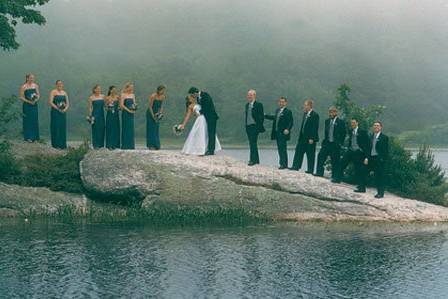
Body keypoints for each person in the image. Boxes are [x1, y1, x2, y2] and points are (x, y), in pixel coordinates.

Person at [315, 106, 346, 182]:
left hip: (335, 144)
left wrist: (340, 143)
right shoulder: (327, 121)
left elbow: (343, 133)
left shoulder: (340, 122)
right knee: (320, 156)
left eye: (332, 112)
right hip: (327, 143)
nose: (331, 113)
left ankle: (335, 177)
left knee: (335, 160)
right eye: (330, 112)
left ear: (336, 113)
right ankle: (319, 172)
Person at [340, 118, 370, 193]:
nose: (352, 124)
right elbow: (351, 140)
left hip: (359, 152)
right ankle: (337, 178)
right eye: (351, 123)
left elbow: (367, 144)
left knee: (359, 169)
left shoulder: (363, 132)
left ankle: (362, 187)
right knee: (342, 162)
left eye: (354, 123)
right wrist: (348, 148)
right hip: (351, 150)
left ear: (357, 123)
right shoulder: (350, 131)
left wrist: (366, 156)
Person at [187, 87, 219, 155]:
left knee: (211, 133)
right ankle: (208, 148)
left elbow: (207, 107)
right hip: (205, 117)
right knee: (208, 132)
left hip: (211, 117)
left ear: (195, 93)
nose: (193, 96)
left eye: (192, 95)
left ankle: (211, 150)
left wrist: (199, 112)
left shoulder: (205, 95)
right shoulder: (198, 98)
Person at [290, 98, 319, 173]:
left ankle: (310, 170)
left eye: (305, 105)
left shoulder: (315, 115)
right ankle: (295, 166)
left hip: (310, 139)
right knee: (298, 152)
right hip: (302, 138)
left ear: (310, 106)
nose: (304, 106)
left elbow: (315, 127)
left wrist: (312, 138)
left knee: (310, 155)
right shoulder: (305, 114)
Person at [264, 96, 293, 169]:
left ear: (286, 103)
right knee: (280, 148)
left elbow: (291, 122)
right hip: (277, 133)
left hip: (283, 133)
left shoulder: (288, 111)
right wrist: (265, 115)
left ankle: (284, 164)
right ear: (278, 102)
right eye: (280, 102)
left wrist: (287, 129)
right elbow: (274, 118)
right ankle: (281, 163)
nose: (281, 103)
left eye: (283, 102)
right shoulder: (277, 110)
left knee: (283, 148)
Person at [366, 121, 389, 198]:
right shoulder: (371, 136)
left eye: (377, 125)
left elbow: (386, 151)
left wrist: (382, 160)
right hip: (371, 158)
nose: (376, 127)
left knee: (380, 176)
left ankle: (380, 193)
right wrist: (367, 157)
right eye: (374, 125)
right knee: (365, 171)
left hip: (379, 159)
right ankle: (361, 188)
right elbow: (368, 148)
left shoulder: (384, 137)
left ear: (380, 127)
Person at [245, 89, 265, 166]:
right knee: (252, 143)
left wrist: (259, 126)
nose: (249, 96)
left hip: (255, 126)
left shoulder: (259, 105)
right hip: (248, 126)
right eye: (248, 95)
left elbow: (261, 117)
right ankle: (256, 160)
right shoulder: (247, 105)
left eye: (251, 95)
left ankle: (252, 160)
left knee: (253, 142)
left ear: (254, 96)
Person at [19, 73, 40, 142]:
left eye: (33, 78)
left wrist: (35, 99)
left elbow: (38, 95)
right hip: (27, 106)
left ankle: (35, 137)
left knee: (34, 119)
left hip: (34, 105)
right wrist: (29, 101)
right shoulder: (23, 87)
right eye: (31, 78)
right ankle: (28, 137)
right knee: (27, 120)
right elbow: (21, 97)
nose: (32, 79)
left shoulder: (36, 86)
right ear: (27, 78)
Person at [48, 80, 69, 149]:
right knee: (56, 126)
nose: (60, 85)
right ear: (56, 85)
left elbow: (67, 103)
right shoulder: (53, 92)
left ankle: (62, 144)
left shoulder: (64, 92)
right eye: (58, 84)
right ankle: (55, 144)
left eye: (61, 84)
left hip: (63, 112)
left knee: (62, 127)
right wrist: (58, 108)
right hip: (55, 111)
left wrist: (65, 109)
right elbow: (50, 102)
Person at [146, 85, 166, 150]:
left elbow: (161, 106)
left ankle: (156, 145)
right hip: (150, 113)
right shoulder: (153, 96)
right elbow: (150, 107)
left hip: (157, 113)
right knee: (151, 129)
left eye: (164, 90)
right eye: (162, 90)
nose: (163, 91)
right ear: (159, 90)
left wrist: (160, 114)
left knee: (156, 129)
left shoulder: (163, 97)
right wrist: (153, 116)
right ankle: (150, 145)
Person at [87, 84, 105, 149]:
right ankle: (96, 145)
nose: (99, 90)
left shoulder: (103, 96)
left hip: (101, 114)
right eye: (98, 89)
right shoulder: (91, 97)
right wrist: (90, 115)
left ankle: (101, 145)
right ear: (94, 90)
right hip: (95, 114)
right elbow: (90, 107)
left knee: (102, 128)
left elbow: (105, 105)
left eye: (100, 89)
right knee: (95, 129)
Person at [120, 82, 136, 150]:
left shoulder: (133, 95)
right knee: (126, 128)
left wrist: (134, 107)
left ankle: (131, 145)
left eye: (132, 87)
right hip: (125, 113)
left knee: (131, 128)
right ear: (127, 87)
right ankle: (125, 145)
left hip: (131, 113)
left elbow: (134, 103)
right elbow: (121, 105)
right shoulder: (123, 95)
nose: (132, 88)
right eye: (131, 87)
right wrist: (128, 110)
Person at [105, 85, 121, 149]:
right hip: (110, 115)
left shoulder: (118, 97)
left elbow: (119, 107)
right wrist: (109, 107)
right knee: (110, 128)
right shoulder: (107, 98)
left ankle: (116, 144)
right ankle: (110, 145)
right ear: (110, 90)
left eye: (115, 90)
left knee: (116, 128)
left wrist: (118, 108)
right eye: (113, 90)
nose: (114, 91)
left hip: (116, 115)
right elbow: (105, 108)